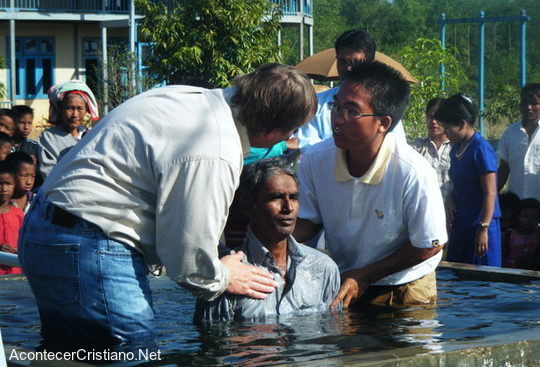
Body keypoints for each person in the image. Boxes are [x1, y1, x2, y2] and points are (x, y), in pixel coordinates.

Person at [18, 63, 317, 345]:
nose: (292, 137)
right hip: (90, 244)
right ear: (273, 130)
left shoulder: (191, 98)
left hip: (44, 229)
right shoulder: (216, 148)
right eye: (292, 130)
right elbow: (188, 257)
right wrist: (223, 275)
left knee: (69, 353)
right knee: (131, 353)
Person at [294, 61, 447, 309]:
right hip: (346, 278)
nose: (338, 119)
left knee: (408, 347)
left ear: (383, 123)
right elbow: (310, 222)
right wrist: (272, 235)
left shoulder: (412, 171)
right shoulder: (315, 159)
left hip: (406, 283)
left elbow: (430, 244)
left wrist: (366, 274)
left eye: (352, 111)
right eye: (336, 107)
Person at [195, 158, 340, 322]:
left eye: (293, 197)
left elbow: (332, 333)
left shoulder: (323, 268)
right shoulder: (229, 276)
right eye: (276, 197)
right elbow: (212, 341)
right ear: (249, 205)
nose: (288, 208)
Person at [297, 29, 406, 150]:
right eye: (342, 62)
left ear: (369, 63)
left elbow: (395, 147)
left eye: (355, 62)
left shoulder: (383, 105)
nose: (348, 68)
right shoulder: (318, 103)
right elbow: (306, 144)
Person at [435, 94, 502, 266]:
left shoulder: (480, 148)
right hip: (462, 223)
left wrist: (483, 228)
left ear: (462, 124)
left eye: (448, 128)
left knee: (482, 280)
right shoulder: (456, 148)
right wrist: (450, 197)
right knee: (457, 276)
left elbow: (490, 192)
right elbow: (459, 183)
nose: (445, 132)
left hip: (480, 224)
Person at [38, 80, 99, 179]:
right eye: (70, 108)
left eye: (80, 109)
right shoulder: (48, 137)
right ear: (60, 109)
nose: (75, 114)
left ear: (86, 110)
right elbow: (49, 173)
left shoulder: (89, 134)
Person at [497, 83, 540, 206]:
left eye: (534, 103)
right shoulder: (510, 133)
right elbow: (503, 169)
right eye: (525, 102)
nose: (529, 107)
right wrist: (490, 195)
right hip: (516, 207)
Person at [410, 98, 452, 200]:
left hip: (452, 211)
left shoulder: (456, 148)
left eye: (438, 117)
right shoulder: (417, 147)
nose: (433, 121)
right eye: (430, 117)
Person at [503, 198, 540, 270]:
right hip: (510, 271)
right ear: (518, 216)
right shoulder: (509, 235)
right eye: (525, 216)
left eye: (534, 218)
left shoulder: (539, 235)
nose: (530, 220)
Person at [0, 161, 24, 275]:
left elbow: (25, 241)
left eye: (8, 183)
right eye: (0, 183)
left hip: (16, 271)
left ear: (15, 184)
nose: (4, 188)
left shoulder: (18, 214)